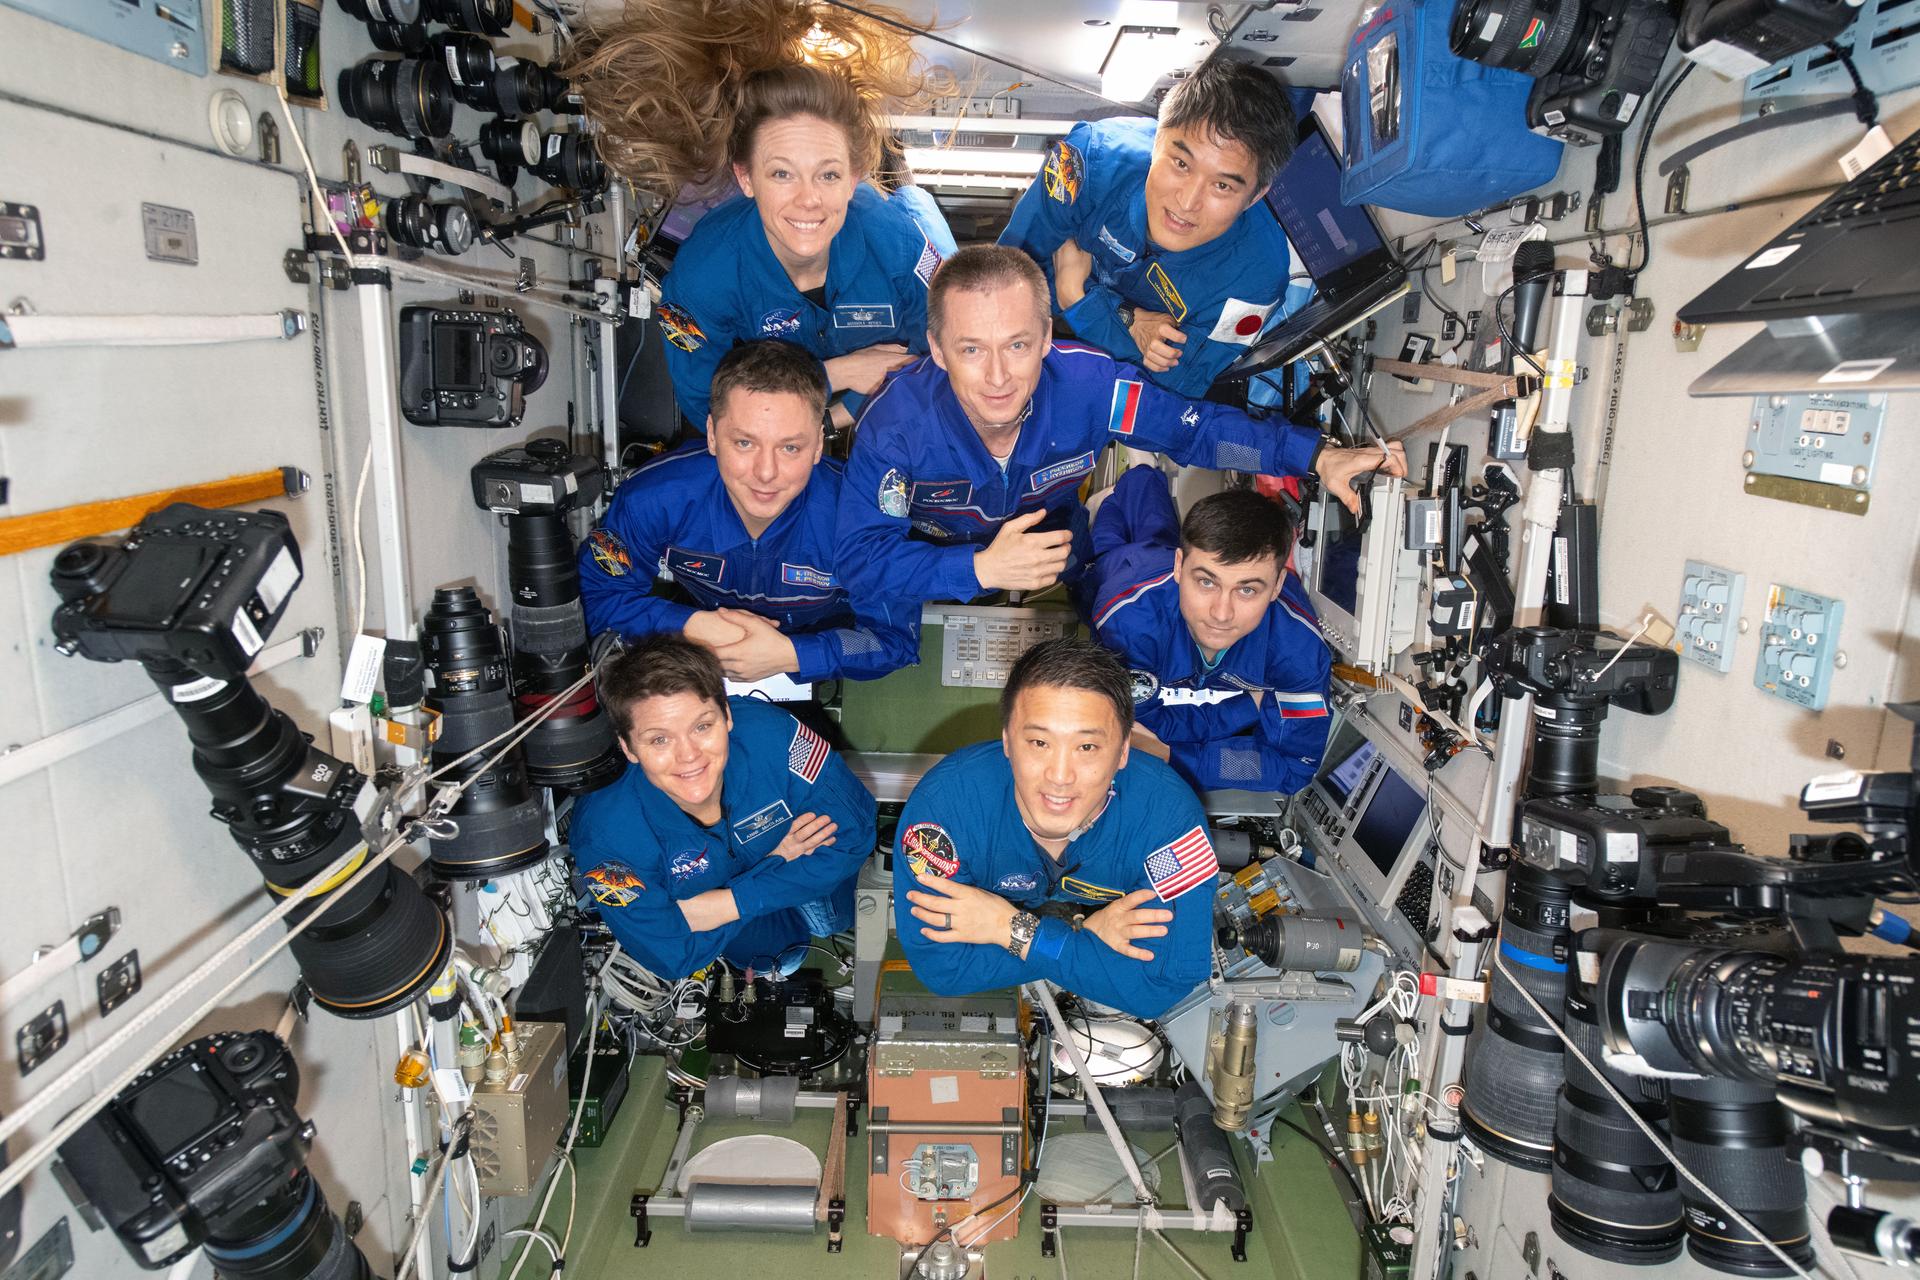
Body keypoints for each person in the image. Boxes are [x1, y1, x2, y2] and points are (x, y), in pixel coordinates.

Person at [835, 244, 1403, 607]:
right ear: (937, 350)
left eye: (1017, 345)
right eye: (971, 350)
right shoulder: (894, 429)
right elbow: (862, 561)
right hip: (935, 560)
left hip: (1056, 539)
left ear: (1047, 339)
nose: (998, 375)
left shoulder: (1092, 389)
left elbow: (1194, 431)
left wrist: (1315, 456)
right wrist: (979, 569)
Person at [891, 638, 1218, 1020]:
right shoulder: (946, 810)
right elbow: (945, 970)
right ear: (1007, 741)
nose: (1060, 776)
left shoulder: (1169, 819)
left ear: (1123, 751)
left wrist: (1010, 928)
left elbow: (1159, 987)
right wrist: (1084, 935)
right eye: (1039, 742)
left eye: (1087, 747)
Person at [579, 340, 917, 683]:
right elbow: (600, 596)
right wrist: (691, 626)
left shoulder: (862, 515)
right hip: (700, 652)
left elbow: (894, 640)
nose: (766, 473)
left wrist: (793, 654)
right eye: (744, 443)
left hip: (817, 649)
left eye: (790, 447)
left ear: (818, 445)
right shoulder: (654, 498)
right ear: (712, 435)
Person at [654, 64, 950, 428]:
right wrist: (833, 375)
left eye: (829, 174)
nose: (809, 199)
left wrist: (843, 413)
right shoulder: (699, 278)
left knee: (921, 207)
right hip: (788, 414)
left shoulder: (898, 242)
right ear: (746, 178)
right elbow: (708, 407)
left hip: (880, 400)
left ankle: (896, 164)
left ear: (853, 179)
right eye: (782, 173)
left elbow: (944, 354)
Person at [570, 635, 877, 979]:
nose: (688, 755)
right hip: (784, 866)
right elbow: (672, 956)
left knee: (836, 920)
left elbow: (856, 831)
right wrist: (773, 862)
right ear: (628, 748)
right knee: (777, 958)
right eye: (659, 739)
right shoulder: (605, 833)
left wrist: (724, 905)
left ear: (727, 716)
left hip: (763, 882)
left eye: (702, 726)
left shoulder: (774, 735)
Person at [998, 57, 1299, 398]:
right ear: (1157, 141)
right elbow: (1008, 287)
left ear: (1256, 195)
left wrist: (1078, 298)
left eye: (1222, 186)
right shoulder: (1089, 162)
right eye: (1181, 163)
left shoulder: (1255, 280)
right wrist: (1128, 320)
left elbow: (1170, 390)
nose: (1187, 202)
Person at [1089, 467, 1331, 794]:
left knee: (1156, 527)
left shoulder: (1299, 653)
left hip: (1168, 577)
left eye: (1247, 589)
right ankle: (1134, 479)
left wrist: (1174, 756)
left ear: (1276, 586)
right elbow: (1139, 727)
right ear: (1180, 567)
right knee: (1110, 538)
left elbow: (1292, 768)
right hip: (1125, 572)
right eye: (1206, 582)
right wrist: (1244, 708)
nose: (1221, 613)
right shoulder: (1129, 625)